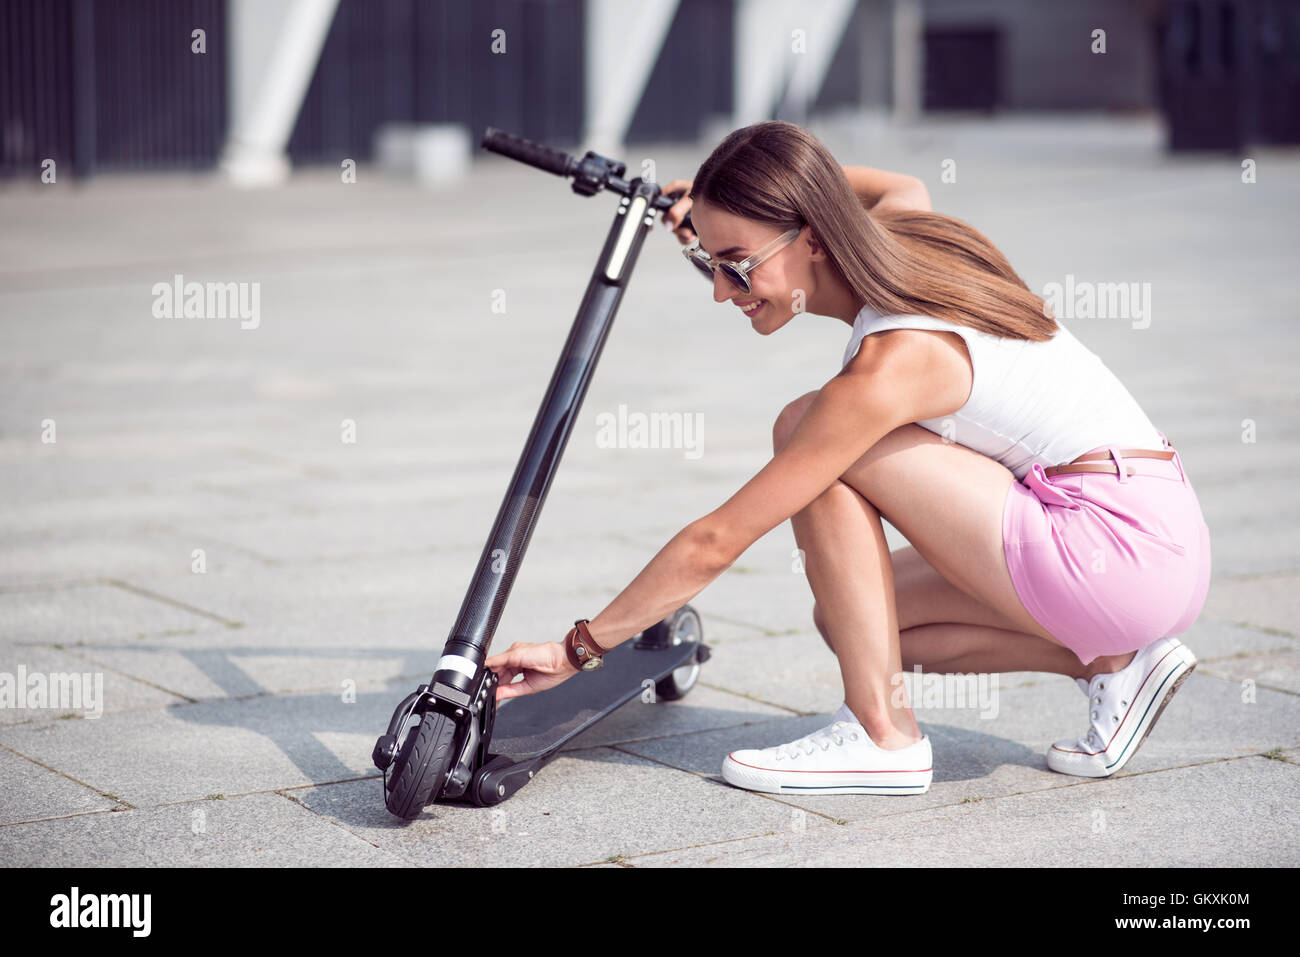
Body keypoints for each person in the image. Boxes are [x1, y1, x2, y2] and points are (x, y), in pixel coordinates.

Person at [485, 121, 1211, 795]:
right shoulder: (914, 237)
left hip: (1112, 549)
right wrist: (721, 205)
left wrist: (577, 649)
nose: (718, 291)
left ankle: (882, 736)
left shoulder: (895, 360)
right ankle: (1112, 662)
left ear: (814, 238)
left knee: (808, 430)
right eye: (708, 260)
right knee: (856, 625)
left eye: (737, 265)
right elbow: (887, 187)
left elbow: (718, 539)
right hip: (1156, 534)